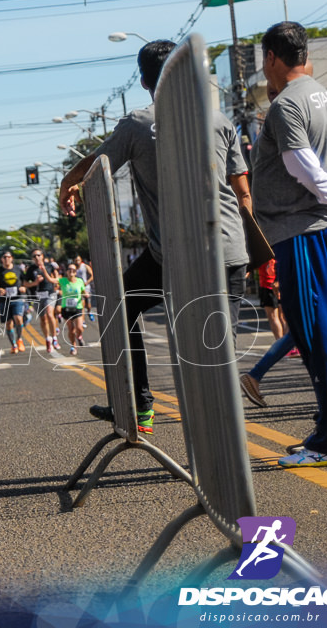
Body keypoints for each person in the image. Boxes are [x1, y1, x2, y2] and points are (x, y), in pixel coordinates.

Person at [59, 39, 251, 436]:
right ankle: (226, 437)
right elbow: (242, 191)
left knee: (119, 307)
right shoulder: (218, 120)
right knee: (222, 343)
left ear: (145, 80)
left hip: (175, 255)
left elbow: (96, 167)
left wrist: (67, 182)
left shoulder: (138, 124)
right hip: (229, 248)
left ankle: (139, 405)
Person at [252, 21, 327, 467]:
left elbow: (301, 165)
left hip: (300, 234)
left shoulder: (286, 106)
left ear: (271, 58)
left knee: (316, 336)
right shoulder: (326, 97)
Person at [24, 249, 59, 354]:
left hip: (50, 294)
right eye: (34, 256)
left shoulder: (49, 266)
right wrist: (35, 283)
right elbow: (25, 283)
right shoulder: (31, 269)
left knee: (49, 314)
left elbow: (57, 278)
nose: (37, 257)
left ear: (42, 256)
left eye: (38, 255)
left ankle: (54, 338)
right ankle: (47, 339)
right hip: (37, 296)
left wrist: (55, 282)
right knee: (43, 319)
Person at [0, 251, 26, 354]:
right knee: (9, 323)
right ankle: (13, 345)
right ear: (2, 259)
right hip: (4, 300)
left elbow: (24, 281)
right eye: (4, 257)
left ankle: (19, 339)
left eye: (8, 257)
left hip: (17, 298)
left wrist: (24, 287)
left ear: (12, 258)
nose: (6, 259)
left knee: (18, 319)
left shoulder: (18, 269)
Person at [56, 263, 87, 355]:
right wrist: (44, 270)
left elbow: (83, 291)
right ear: (67, 272)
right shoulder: (63, 280)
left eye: (73, 270)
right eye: (69, 270)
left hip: (77, 307)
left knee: (79, 328)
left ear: (76, 272)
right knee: (71, 329)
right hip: (66, 308)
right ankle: (73, 346)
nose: (71, 271)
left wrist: (86, 294)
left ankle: (79, 336)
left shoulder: (79, 281)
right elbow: (51, 280)